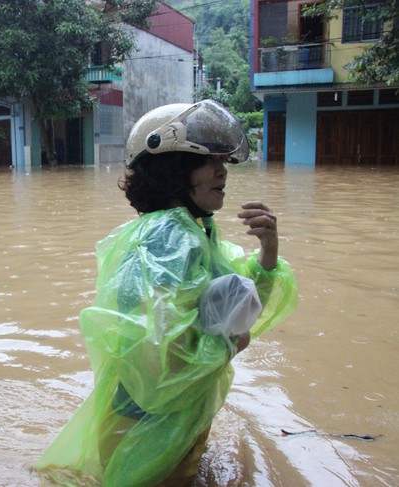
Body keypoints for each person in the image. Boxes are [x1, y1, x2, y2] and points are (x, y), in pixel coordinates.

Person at [35, 100, 298, 485]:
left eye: (223, 160)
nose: (222, 171)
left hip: (172, 418)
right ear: (173, 171)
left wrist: (268, 249)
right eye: (208, 162)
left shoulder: (194, 232)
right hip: (148, 427)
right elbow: (158, 357)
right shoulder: (167, 239)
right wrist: (231, 345)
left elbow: (241, 299)